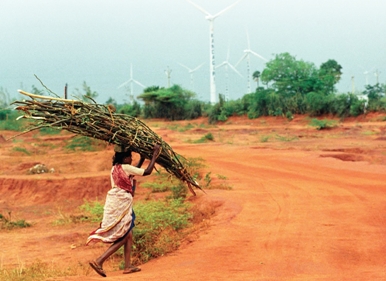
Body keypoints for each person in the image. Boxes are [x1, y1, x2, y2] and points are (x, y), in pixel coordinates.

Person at [87, 143, 161, 277]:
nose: (131, 159)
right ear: (125, 158)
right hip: (121, 203)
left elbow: (132, 172)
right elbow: (147, 172)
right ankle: (99, 260)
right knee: (125, 234)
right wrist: (154, 154)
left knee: (129, 233)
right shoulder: (126, 167)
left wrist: (142, 159)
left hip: (115, 202)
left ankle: (127, 266)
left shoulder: (115, 168)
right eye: (130, 157)